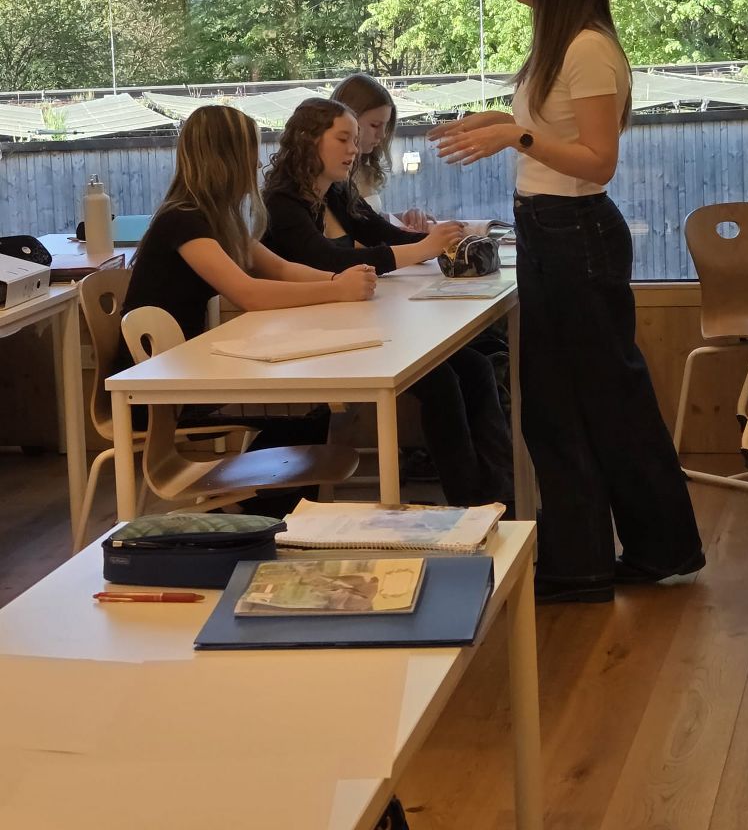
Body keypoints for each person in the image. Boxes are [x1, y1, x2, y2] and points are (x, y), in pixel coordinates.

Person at [430, 0, 703, 602]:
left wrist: (515, 137)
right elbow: (553, 135)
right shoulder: (559, 46)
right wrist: (501, 125)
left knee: (600, 401)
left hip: (575, 233)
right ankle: (584, 559)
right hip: (552, 229)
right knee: (561, 404)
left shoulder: (587, 49)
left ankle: (633, 553)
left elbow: (598, 160)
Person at [261, 97, 515, 508]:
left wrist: (438, 239)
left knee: (476, 367)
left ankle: (500, 501)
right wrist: (424, 248)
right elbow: (327, 261)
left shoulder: (336, 191)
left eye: (355, 140)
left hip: (350, 325)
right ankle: (470, 505)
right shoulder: (281, 202)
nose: (354, 150)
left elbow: (381, 233)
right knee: (443, 383)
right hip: (309, 341)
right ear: (308, 140)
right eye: (343, 139)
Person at [119, 105, 376, 455]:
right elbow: (248, 293)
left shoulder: (217, 219)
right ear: (225, 158)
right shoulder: (183, 220)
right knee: (312, 423)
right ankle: (255, 490)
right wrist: (337, 289)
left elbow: (281, 269)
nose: (256, 164)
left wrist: (340, 280)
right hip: (154, 392)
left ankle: (262, 487)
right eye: (250, 152)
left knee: (319, 416)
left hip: (178, 374)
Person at [331, 72, 432, 230]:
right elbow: (345, 238)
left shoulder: (363, 167)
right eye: (375, 125)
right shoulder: (328, 177)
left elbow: (371, 221)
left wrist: (402, 218)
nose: (382, 135)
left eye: (385, 126)